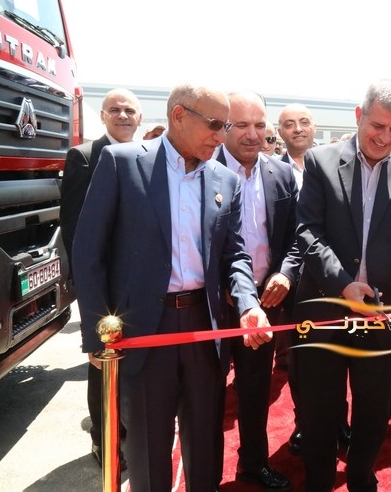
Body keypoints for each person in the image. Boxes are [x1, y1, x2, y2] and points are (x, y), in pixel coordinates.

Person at [72, 84, 273, 492]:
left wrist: (248, 303)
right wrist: (96, 333)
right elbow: (88, 251)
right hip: (144, 329)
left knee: (205, 445)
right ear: (179, 116)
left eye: (226, 126)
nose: (221, 136)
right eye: (215, 124)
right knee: (148, 451)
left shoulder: (224, 179)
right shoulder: (122, 163)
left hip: (204, 327)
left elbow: (235, 254)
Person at [291, 79, 391, 492]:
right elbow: (307, 231)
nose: (386, 138)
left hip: (383, 315)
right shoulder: (320, 161)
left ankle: (360, 478)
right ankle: (319, 482)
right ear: (359, 116)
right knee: (319, 410)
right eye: (378, 126)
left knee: (373, 411)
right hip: (324, 309)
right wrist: (343, 285)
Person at [215, 91, 299, 490]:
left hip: (266, 302)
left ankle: (253, 464)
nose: (253, 134)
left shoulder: (281, 173)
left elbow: (298, 235)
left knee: (254, 390)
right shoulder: (203, 169)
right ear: (223, 127)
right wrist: (223, 284)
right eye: (242, 125)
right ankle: (204, 471)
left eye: (260, 125)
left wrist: (285, 273)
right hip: (213, 304)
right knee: (206, 394)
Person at [61, 88, 142, 470]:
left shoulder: (146, 156)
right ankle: (103, 440)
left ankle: (127, 429)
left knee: (133, 362)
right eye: (115, 110)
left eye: (130, 110)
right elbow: (74, 228)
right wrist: (86, 287)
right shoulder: (84, 157)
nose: (123, 115)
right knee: (102, 364)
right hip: (102, 285)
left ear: (139, 118)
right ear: (103, 116)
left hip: (137, 283)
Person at [278, 103, 316, 190]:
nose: (298, 129)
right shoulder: (271, 171)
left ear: (314, 128)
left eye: (304, 123)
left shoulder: (333, 166)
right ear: (280, 133)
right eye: (289, 125)